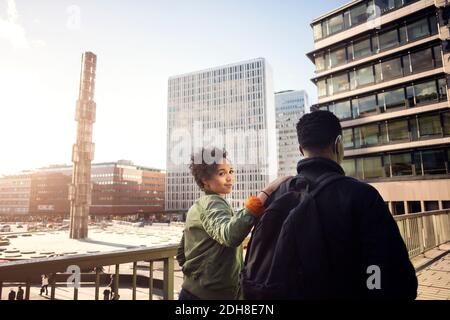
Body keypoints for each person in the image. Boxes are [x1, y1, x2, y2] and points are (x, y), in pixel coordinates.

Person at [263, 110, 417, 299]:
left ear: (300, 150)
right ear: (338, 144)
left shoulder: (279, 193)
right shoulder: (361, 195)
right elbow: (386, 267)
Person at [177, 147, 290, 300]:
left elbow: (181, 253)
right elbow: (230, 235)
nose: (229, 178)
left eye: (231, 171)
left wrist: (196, 276)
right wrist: (267, 192)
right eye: (221, 173)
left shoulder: (200, 204)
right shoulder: (212, 203)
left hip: (194, 292)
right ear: (205, 180)